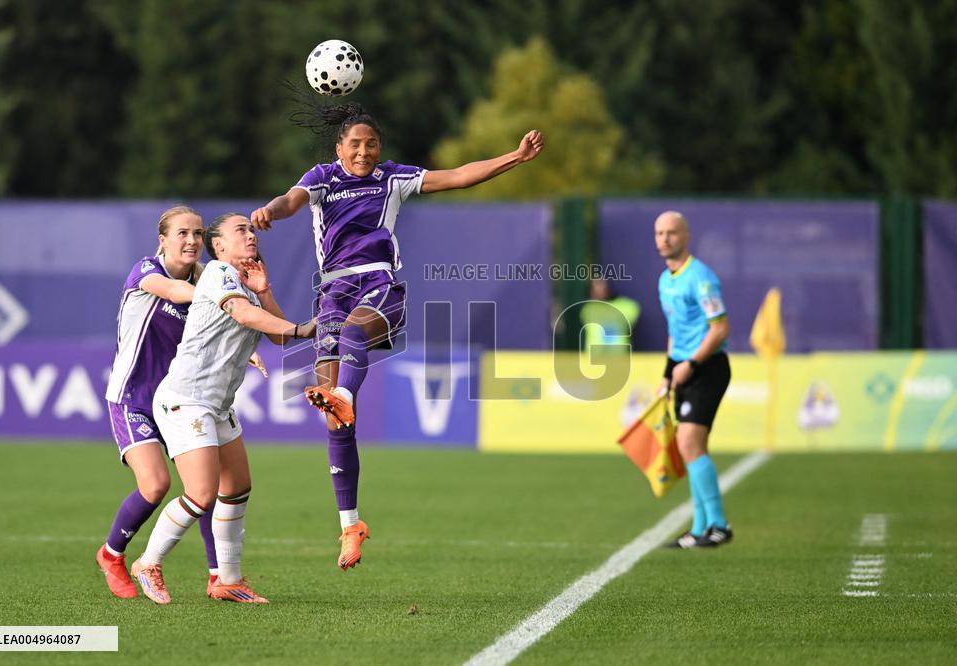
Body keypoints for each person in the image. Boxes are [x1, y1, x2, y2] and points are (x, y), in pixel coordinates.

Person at [250, 103, 544, 571]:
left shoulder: (392, 178)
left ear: (379, 148)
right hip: (332, 291)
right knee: (335, 421)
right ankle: (350, 525)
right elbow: (291, 200)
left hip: (379, 283)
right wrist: (270, 210)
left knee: (352, 340)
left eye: (371, 144)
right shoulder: (323, 178)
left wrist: (515, 156)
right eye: (354, 144)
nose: (363, 151)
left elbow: (458, 176)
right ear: (339, 148)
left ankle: (345, 395)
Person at [129, 213, 315, 604]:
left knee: (237, 488)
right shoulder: (218, 273)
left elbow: (278, 338)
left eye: (252, 230)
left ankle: (226, 580)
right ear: (219, 245)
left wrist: (264, 291)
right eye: (240, 230)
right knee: (201, 494)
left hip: (217, 404)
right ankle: (147, 562)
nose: (251, 236)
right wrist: (301, 328)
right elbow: (247, 317)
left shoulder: (246, 285)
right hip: (186, 399)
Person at [98, 206, 222, 598]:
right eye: (182, 233)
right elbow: (175, 292)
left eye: (198, 233)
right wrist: (223, 298)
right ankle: (111, 555)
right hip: (132, 397)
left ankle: (219, 576)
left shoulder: (205, 279)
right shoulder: (147, 271)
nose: (192, 240)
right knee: (155, 485)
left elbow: (220, 330)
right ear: (162, 240)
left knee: (206, 487)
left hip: (176, 401)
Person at [654, 211, 733, 548]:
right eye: (659, 233)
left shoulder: (701, 278)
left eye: (671, 232)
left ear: (686, 236)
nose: (664, 239)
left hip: (708, 367)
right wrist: (667, 374)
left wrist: (691, 364)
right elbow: (676, 332)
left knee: (688, 443)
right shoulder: (665, 280)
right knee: (692, 448)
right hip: (683, 369)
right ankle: (700, 527)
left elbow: (720, 328)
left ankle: (719, 524)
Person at [580, 278, 641, 354]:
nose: (599, 289)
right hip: (594, 357)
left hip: (619, 357)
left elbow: (633, 310)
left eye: (602, 285)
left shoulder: (625, 307)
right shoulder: (588, 309)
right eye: (595, 287)